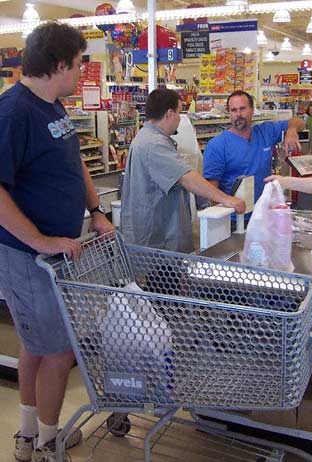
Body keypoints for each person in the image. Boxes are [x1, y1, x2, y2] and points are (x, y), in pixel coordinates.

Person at [0, 22, 114, 462]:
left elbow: (75, 165)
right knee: (59, 349)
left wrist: (97, 211)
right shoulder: (13, 112)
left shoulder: (53, 106)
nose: (83, 71)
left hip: (51, 255)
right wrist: (42, 240)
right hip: (27, 257)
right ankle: (50, 444)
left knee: (34, 345)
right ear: (61, 64)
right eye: (81, 62)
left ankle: (28, 435)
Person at [120, 88, 245, 253]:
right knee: (163, 278)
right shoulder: (153, 144)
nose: (180, 119)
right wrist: (226, 199)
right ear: (170, 114)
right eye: (179, 113)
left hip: (159, 238)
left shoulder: (149, 139)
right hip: (157, 244)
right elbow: (186, 177)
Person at [203, 90, 305, 206]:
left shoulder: (266, 132)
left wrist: (291, 130)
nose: (238, 114)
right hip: (234, 217)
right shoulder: (217, 145)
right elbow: (211, 191)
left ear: (252, 110)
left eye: (242, 108)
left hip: (263, 212)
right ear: (229, 114)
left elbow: (299, 122)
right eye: (234, 110)